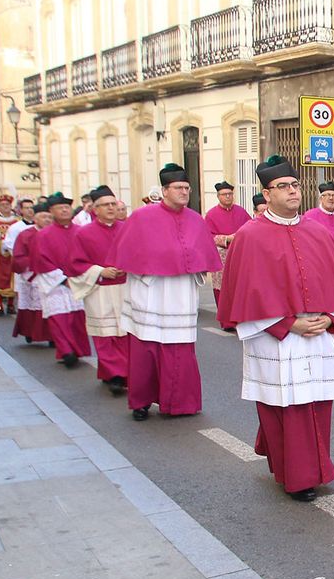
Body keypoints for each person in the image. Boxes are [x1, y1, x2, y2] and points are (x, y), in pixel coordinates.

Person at [218, 155, 334, 501]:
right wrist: (288, 323)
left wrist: (331, 317)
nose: (293, 191)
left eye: (295, 185)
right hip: (276, 338)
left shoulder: (317, 232)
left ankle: (310, 465)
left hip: (316, 334)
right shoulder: (249, 237)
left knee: (315, 403)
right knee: (285, 405)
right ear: (266, 194)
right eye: (283, 187)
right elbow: (244, 296)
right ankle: (296, 476)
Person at [111, 163, 221, 421]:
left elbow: (204, 254)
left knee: (179, 353)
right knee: (145, 349)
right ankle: (141, 402)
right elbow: (128, 254)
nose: (184, 192)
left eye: (187, 188)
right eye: (179, 188)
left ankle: (180, 404)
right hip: (150, 292)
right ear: (164, 190)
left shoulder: (195, 219)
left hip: (181, 294)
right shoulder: (141, 217)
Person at [72, 186, 129, 395]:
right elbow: (75, 264)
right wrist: (100, 271)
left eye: (114, 204)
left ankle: (123, 372)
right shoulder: (83, 234)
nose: (112, 208)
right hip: (99, 290)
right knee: (105, 336)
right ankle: (115, 375)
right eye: (106, 205)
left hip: (125, 288)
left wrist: (128, 266)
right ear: (95, 209)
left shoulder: (126, 229)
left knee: (125, 334)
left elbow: (139, 254)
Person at [30, 192, 92, 368]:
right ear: (51, 211)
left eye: (67, 207)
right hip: (55, 284)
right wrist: (62, 279)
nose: (65, 210)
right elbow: (41, 260)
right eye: (60, 208)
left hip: (79, 281)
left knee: (77, 319)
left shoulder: (81, 232)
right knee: (59, 319)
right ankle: (66, 351)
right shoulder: (43, 235)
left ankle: (77, 349)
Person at [204, 181, 252, 311]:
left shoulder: (241, 211)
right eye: (224, 194)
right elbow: (208, 236)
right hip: (221, 256)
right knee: (222, 287)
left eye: (230, 194)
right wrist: (227, 238)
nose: (228, 197)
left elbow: (250, 227)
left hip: (240, 254)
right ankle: (226, 320)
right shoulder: (211, 214)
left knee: (240, 286)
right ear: (218, 196)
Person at [10, 205, 52, 346]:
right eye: (43, 217)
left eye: (49, 217)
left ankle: (53, 336)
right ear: (35, 218)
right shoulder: (25, 235)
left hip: (52, 277)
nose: (47, 220)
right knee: (32, 306)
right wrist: (34, 264)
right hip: (31, 276)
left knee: (52, 308)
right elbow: (19, 256)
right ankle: (30, 331)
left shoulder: (55, 233)